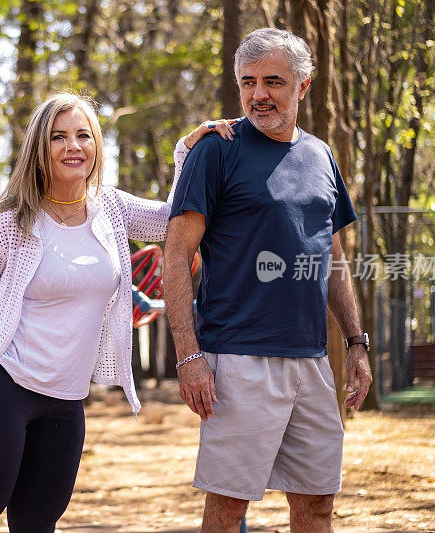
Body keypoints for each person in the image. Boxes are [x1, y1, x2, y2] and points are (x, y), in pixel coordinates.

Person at [0, 92, 233, 532]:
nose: (72, 146)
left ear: (96, 146)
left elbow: (172, 220)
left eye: (83, 136)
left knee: (38, 523)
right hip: (5, 384)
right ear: (40, 151)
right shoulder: (11, 221)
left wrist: (185, 154)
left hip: (66, 400)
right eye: (59, 137)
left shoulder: (112, 208)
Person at [163, 28, 373, 533]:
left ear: (302, 87)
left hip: (312, 360)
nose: (259, 94)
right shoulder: (216, 150)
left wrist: (356, 342)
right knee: (230, 507)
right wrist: (190, 356)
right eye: (248, 82)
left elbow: (333, 257)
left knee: (318, 503)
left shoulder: (322, 156)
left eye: (273, 82)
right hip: (238, 359)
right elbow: (175, 255)